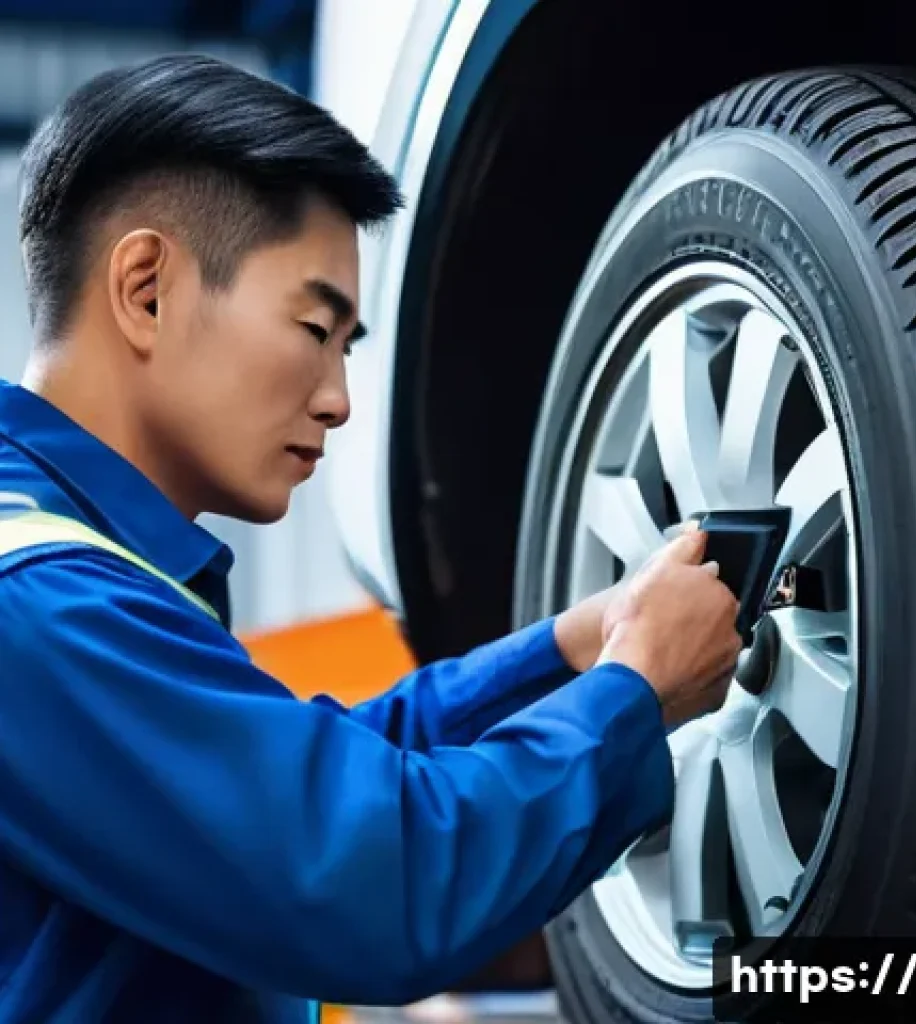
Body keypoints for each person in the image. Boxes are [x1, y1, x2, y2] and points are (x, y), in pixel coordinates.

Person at [0, 54, 742, 1023]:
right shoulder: (42, 605)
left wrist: (567, 654)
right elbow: (374, 879)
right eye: (316, 328)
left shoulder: (68, 577)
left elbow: (311, 785)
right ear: (146, 290)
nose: (339, 401)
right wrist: (633, 695)